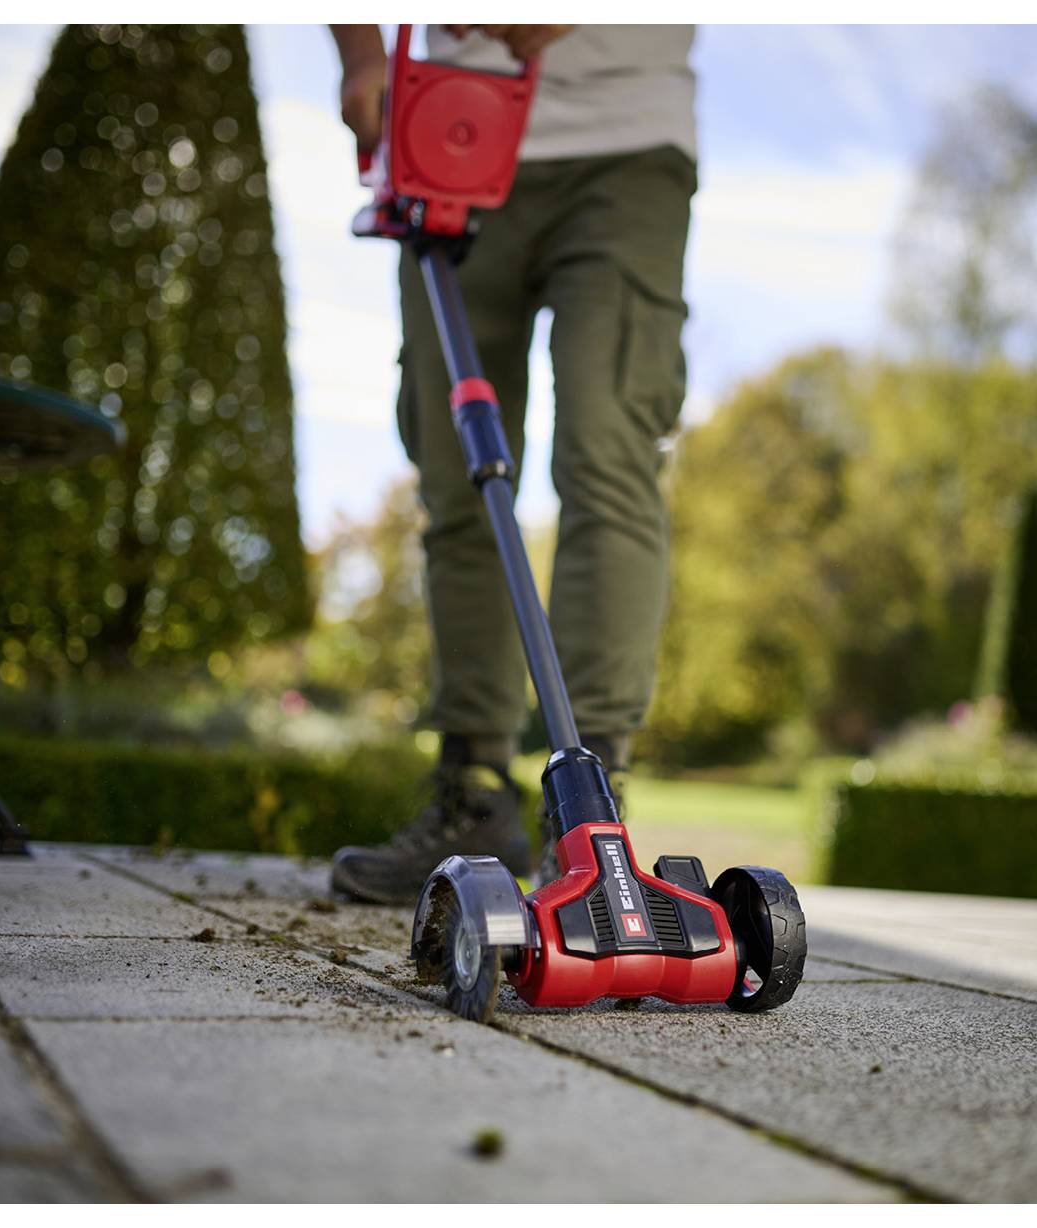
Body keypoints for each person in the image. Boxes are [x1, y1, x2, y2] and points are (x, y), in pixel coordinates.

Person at [326, 23, 698, 904]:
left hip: (626, 146)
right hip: (448, 130)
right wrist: (360, 57)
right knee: (459, 475)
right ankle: (473, 796)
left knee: (608, 456)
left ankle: (591, 809)